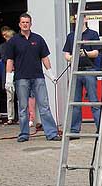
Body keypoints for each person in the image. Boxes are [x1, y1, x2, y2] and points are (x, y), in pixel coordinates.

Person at [4, 13, 60, 142]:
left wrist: (50, 73)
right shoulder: (13, 41)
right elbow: (10, 60)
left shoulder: (38, 39)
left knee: (44, 106)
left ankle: (51, 133)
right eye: (23, 22)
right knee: (23, 107)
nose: (25, 24)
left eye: (27, 22)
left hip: (38, 77)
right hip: (21, 78)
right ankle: (24, 134)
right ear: (19, 24)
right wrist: (8, 78)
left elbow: (44, 57)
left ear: (31, 24)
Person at [63, 16, 101, 137]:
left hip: (89, 71)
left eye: (81, 17)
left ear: (86, 19)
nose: (78, 20)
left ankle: (100, 129)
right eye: (76, 18)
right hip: (75, 72)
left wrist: (85, 54)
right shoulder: (71, 36)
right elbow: (66, 54)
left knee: (94, 101)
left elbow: (96, 52)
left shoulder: (93, 34)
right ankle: (74, 131)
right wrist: (72, 57)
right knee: (75, 103)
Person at [0, 27, 17, 125]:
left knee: (20, 96)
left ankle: (20, 117)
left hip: (18, 71)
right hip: (9, 72)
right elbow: (4, 58)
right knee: (9, 96)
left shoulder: (17, 45)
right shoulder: (3, 46)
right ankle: (10, 117)